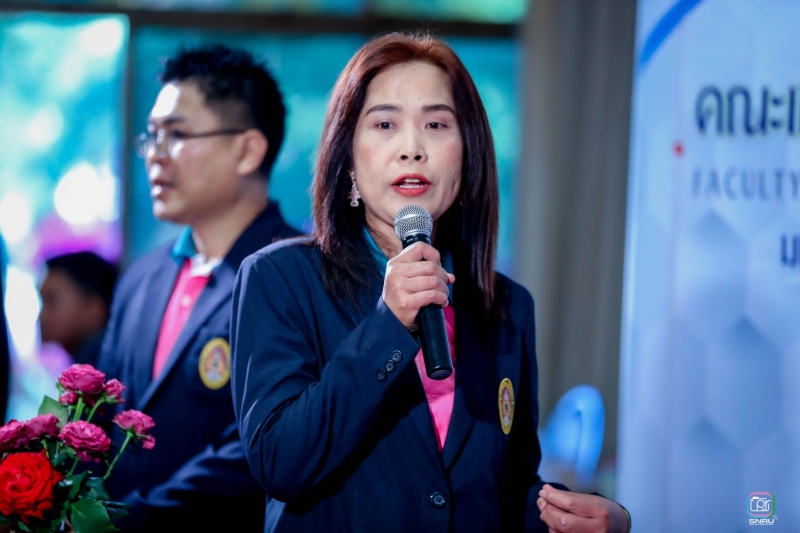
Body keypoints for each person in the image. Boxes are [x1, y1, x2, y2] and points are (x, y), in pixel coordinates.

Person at [231, 33, 632, 533]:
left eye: (437, 125)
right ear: (348, 161)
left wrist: (583, 517)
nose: (412, 149)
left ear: (467, 157)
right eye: (385, 124)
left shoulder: (507, 306)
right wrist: (387, 327)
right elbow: (280, 462)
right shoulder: (279, 278)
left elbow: (503, 489)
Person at [96, 43, 300, 531]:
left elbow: (261, 444)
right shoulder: (141, 279)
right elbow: (98, 417)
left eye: (177, 135)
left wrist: (137, 518)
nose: (155, 155)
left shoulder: (300, 273)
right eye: (152, 136)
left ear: (247, 150)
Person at [38, 251, 118, 368]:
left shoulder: (103, 366)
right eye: (42, 301)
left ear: (95, 307)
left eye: (51, 300)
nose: (42, 316)